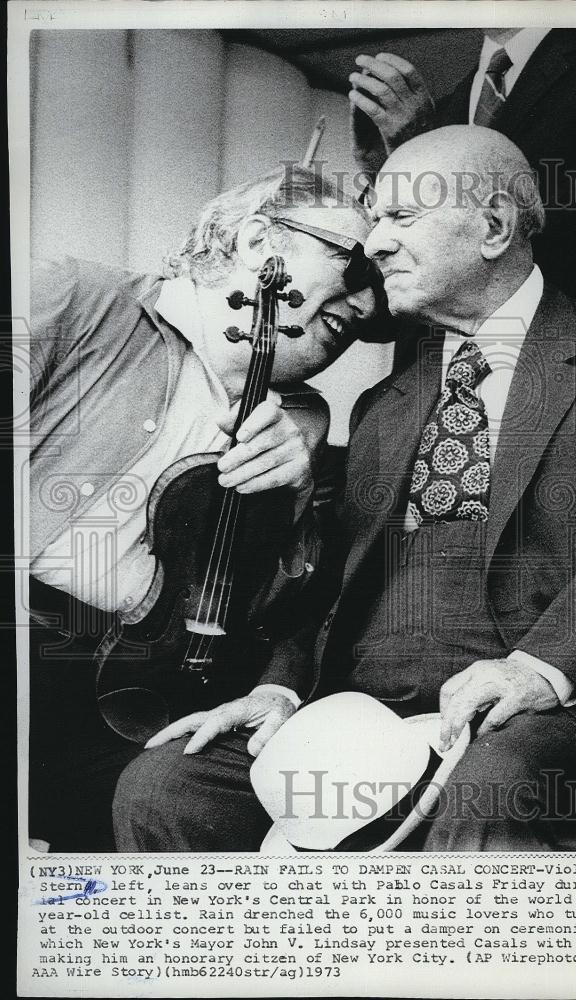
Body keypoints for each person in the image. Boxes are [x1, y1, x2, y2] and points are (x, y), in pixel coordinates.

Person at [114, 126, 576, 852]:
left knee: (490, 780)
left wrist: (536, 669)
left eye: (400, 217)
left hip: (545, 709)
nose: (375, 244)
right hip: (362, 711)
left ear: (492, 226)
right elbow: (328, 577)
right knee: (166, 784)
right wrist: (281, 689)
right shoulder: (381, 405)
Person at [28, 165, 379, 851]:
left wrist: (297, 503)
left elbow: (277, 617)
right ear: (257, 241)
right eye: (354, 259)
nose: (368, 307)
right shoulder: (72, 297)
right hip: (20, 637)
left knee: (176, 813)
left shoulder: (305, 421)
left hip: (139, 691)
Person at [349, 28, 576, 306]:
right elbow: (381, 310)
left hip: (566, 364)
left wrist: (426, 155)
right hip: (427, 369)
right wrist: (386, 176)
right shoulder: (448, 105)